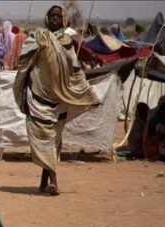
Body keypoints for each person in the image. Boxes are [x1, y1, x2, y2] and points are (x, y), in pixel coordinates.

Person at [13, 4, 100, 196]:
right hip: (38, 96)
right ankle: (53, 180)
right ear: (46, 18)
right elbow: (24, 63)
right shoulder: (37, 38)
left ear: (63, 20)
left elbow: (74, 68)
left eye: (57, 16)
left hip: (59, 97)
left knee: (53, 139)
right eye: (51, 15)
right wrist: (23, 93)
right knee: (42, 135)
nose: (54, 19)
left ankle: (45, 181)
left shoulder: (67, 41)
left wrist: (87, 92)